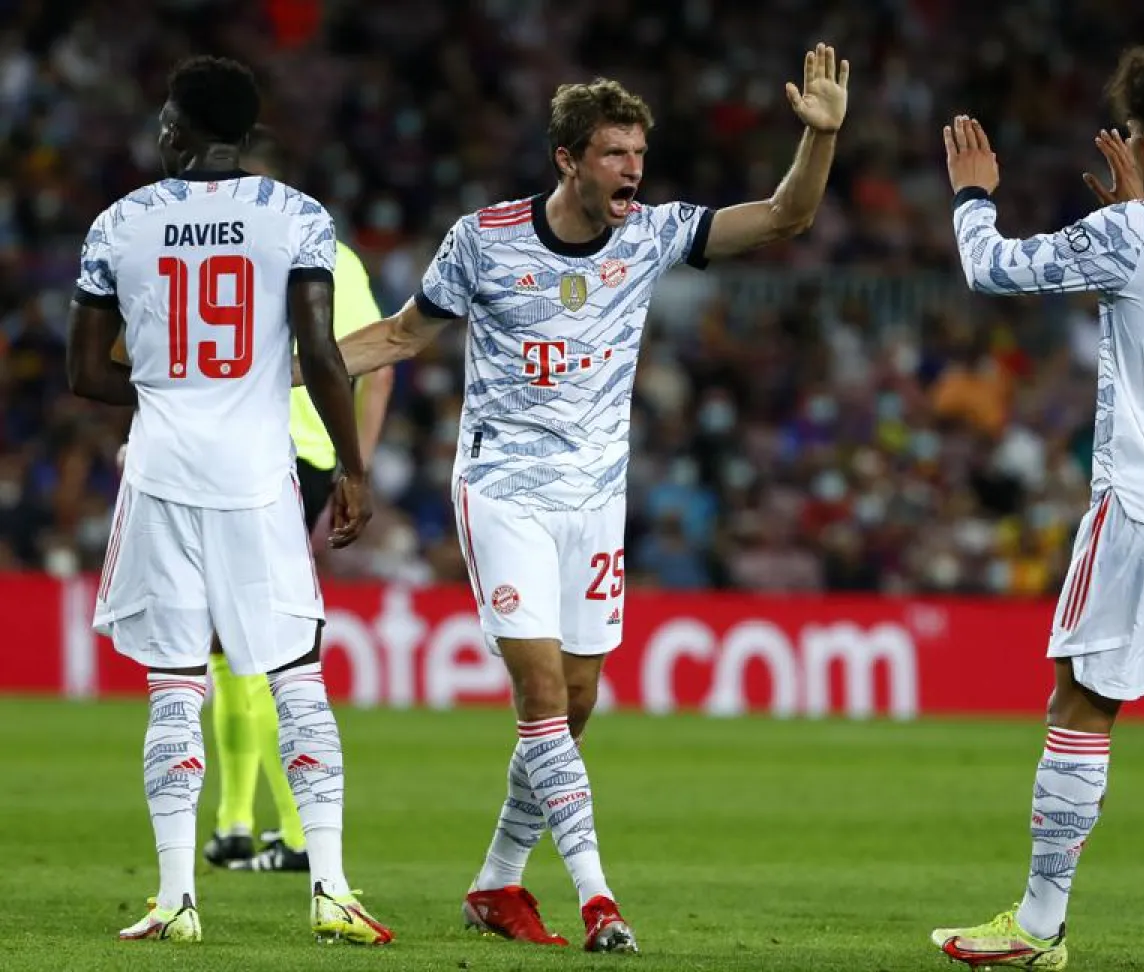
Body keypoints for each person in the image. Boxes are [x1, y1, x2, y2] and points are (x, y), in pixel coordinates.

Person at [318, 43, 850, 953]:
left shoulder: (650, 235)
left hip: (596, 498)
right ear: (567, 159)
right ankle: (600, 899)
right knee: (538, 692)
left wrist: (821, 140)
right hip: (502, 488)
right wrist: (288, 372)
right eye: (614, 154)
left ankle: (496, 884)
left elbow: (787, 217)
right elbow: (404, 336)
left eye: (638, 155)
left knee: (575, 698)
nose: (632, 171)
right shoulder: (483, 240)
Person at [929, 43, 1144, 969]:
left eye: (1132, 129)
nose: (1125, 139)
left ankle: (1039, 930)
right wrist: (1138, 205)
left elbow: (994, 270)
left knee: (1081, 705)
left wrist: (973, 196)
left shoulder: (1133, 236)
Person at [67, 55, 391, 945]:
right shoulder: (297, 217)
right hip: (258, 476)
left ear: (176, 128)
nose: (159, 134)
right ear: (246, 135)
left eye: (165, 121)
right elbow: (323, 355)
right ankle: (330, 887)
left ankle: (175, 899)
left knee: (174, 686)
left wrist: (169, 394)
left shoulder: (119, 224)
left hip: (162, 474)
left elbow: (83, 372)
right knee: (297, 679)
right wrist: (354, 468)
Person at [198, 125, 396, 874]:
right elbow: (376, 364)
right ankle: (243, 824)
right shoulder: (327, 253)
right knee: (234, 639)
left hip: (274, 454)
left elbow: (373, 361)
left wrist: (354, 463)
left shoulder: (287, 251)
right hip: (284, 456)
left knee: (250, 639)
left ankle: (287, 830)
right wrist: (357, 463)